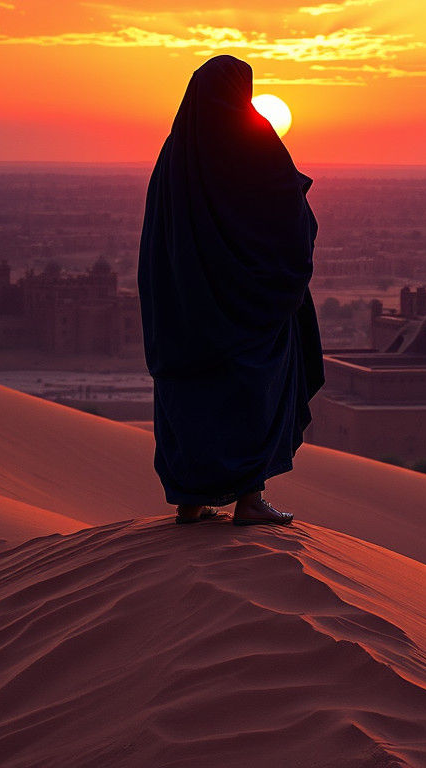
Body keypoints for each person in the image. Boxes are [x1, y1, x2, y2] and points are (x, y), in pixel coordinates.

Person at [138, 55, 323, 526]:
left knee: (192, 403)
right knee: (250, 396)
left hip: (184, 312)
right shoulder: (255, 142)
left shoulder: (175, 154)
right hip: (249, 310)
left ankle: (191, 503)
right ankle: (249, 500)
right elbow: (288, 209)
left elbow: (158, 238)